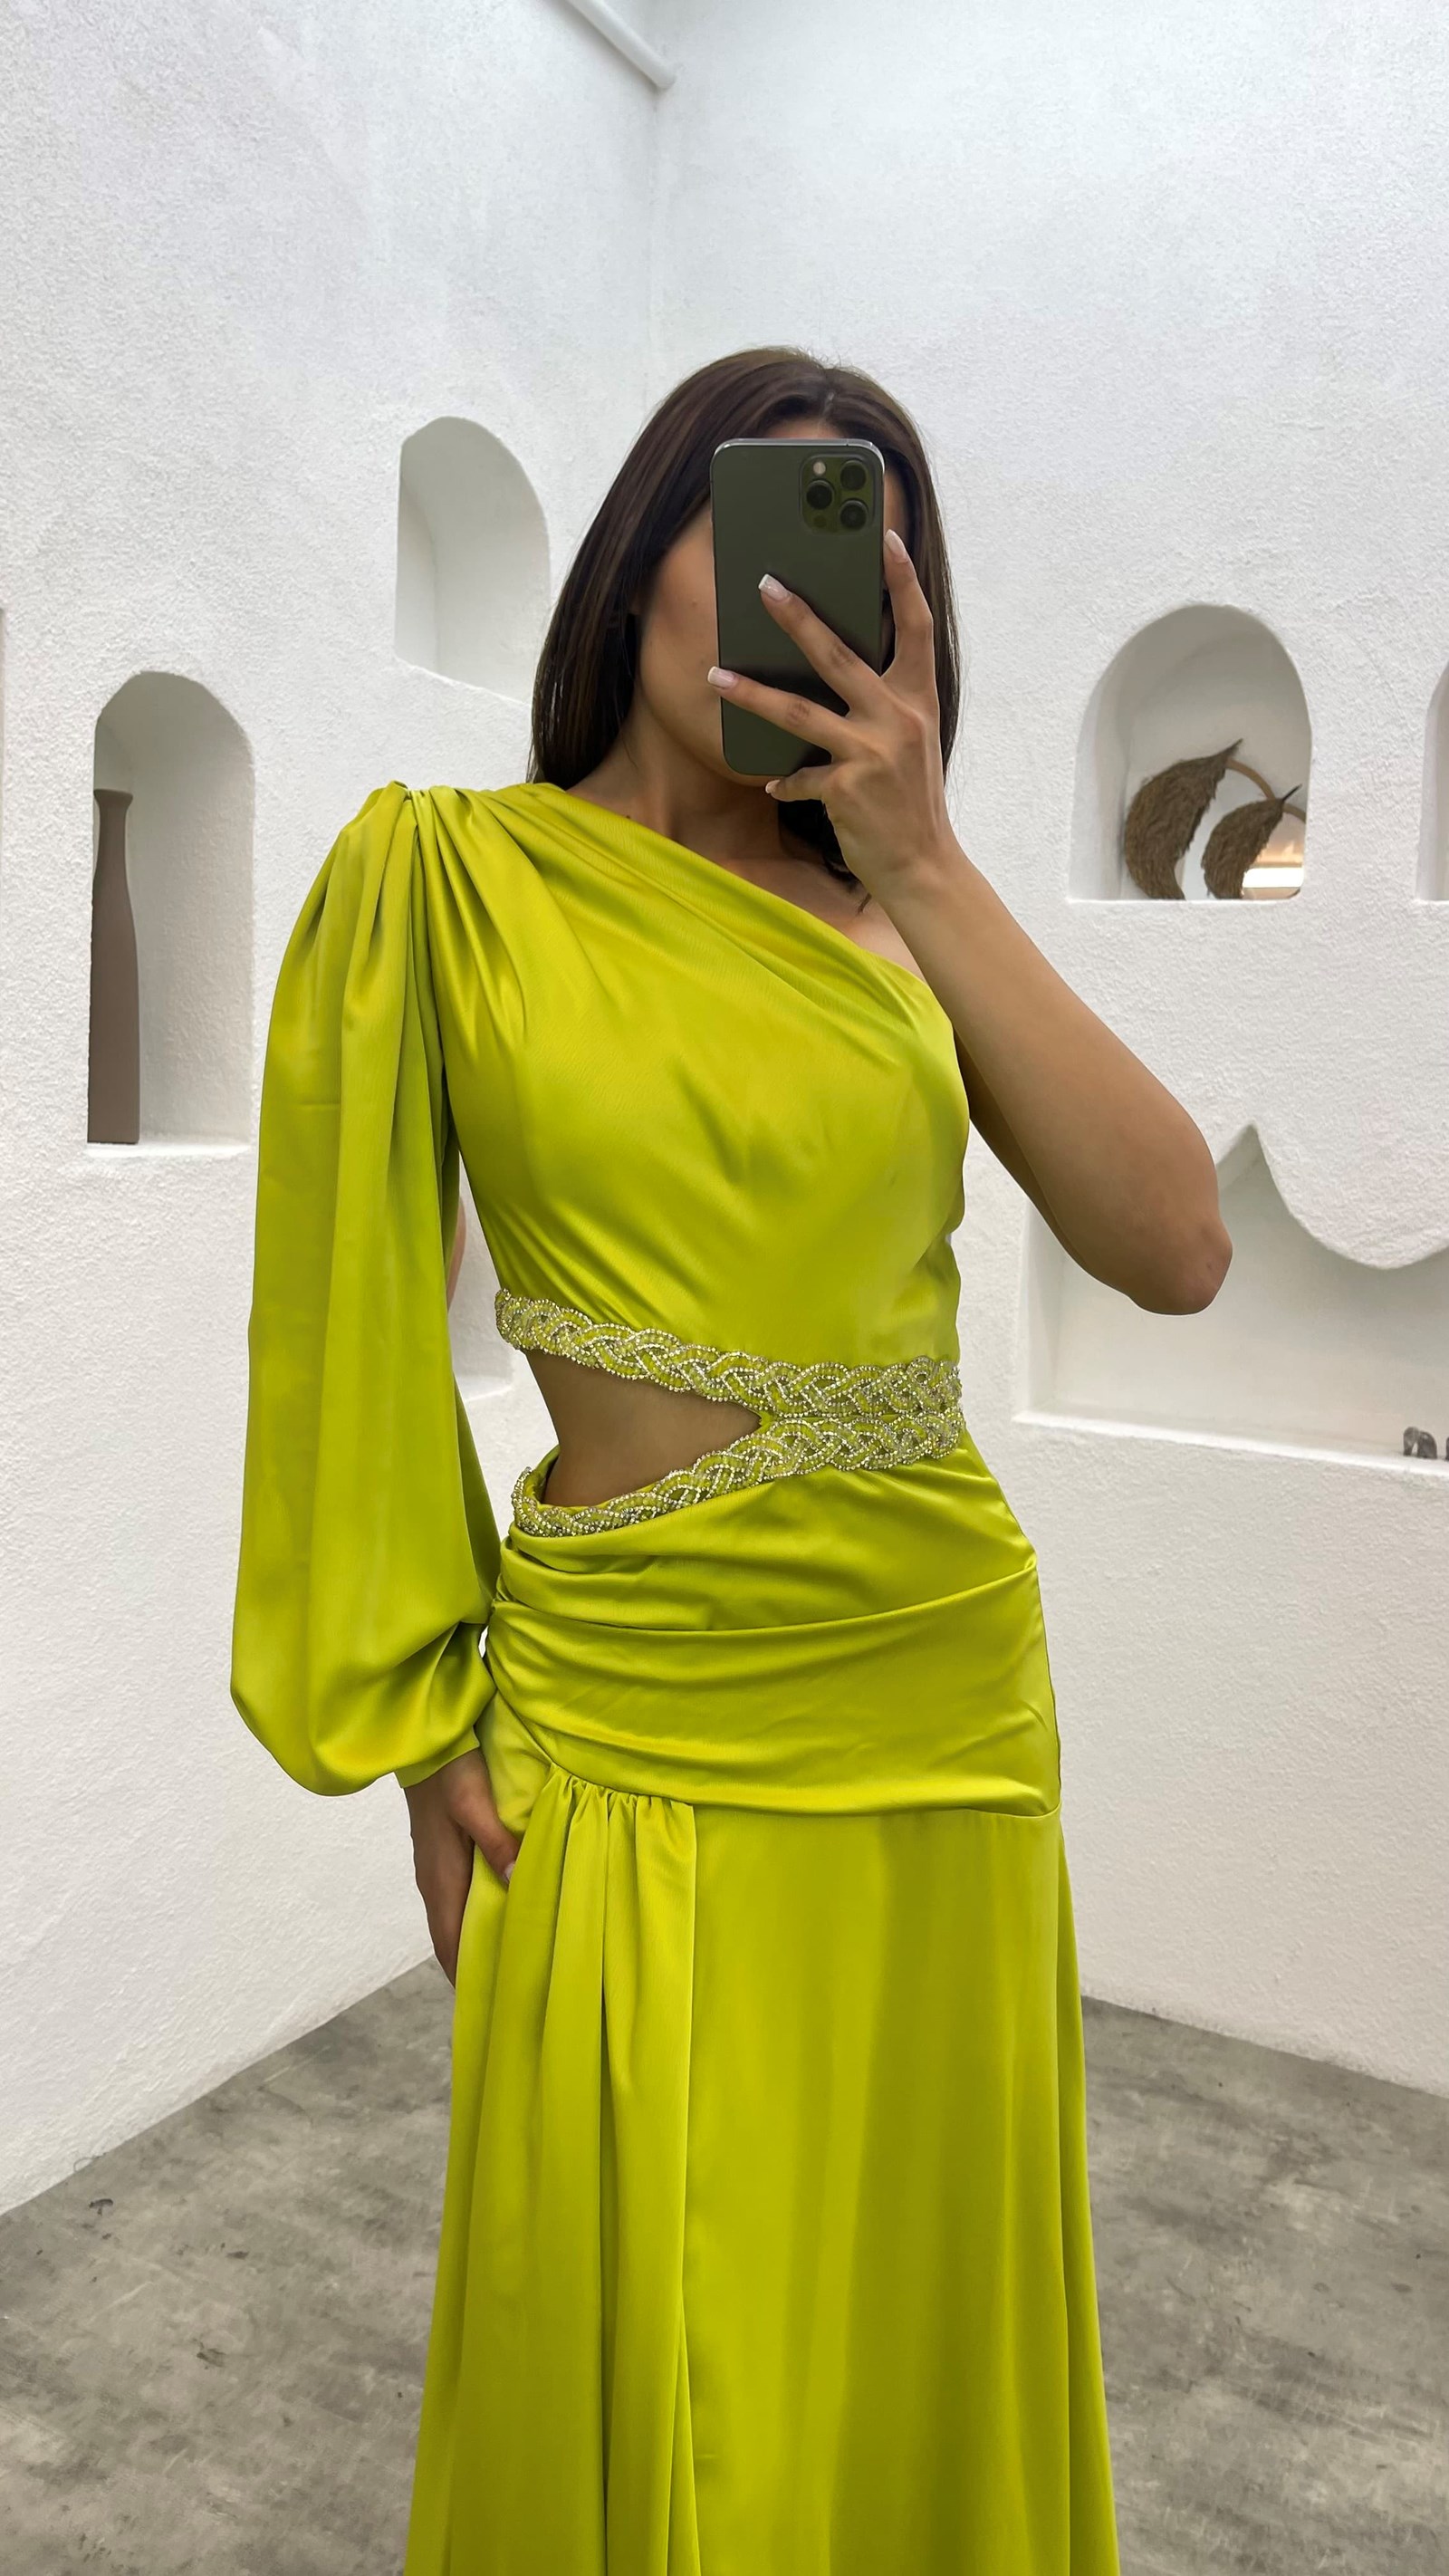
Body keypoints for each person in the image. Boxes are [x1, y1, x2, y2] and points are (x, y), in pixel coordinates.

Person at [230, 346, 1231, 2575]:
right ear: (639, 548)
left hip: (933, 1707)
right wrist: (413, 1720)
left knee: (894, 2320)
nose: (801, 597)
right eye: (765, 523)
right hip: (626, 1704)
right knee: (632, 2311)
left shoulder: (897, 919)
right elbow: (343, 1333)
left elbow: (1173, 1245)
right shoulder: (443, 880)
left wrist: (924, 855)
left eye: (863, 560)